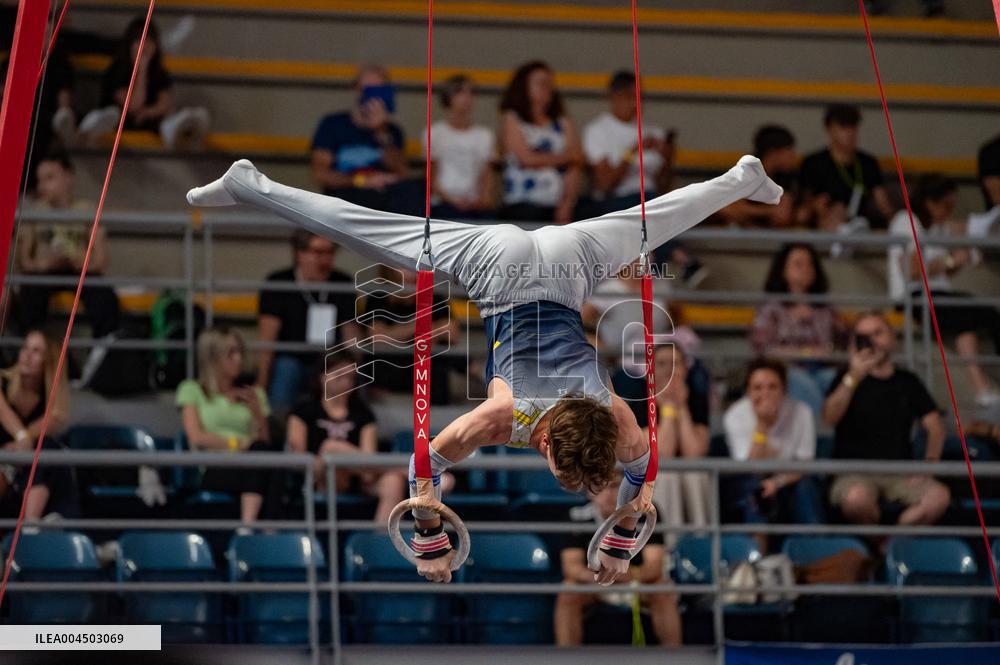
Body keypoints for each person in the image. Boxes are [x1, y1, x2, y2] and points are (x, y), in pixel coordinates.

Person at [186, 153, 784, 584]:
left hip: (566, 261)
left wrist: (624, 537)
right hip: (500, 274)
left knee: (647, 224)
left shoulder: (616, 420)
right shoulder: (506, 418)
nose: (554, 472)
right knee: (377, 237)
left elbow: (640, 469)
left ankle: (739, 178)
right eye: (555, 464)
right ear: (544, 438)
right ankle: (251, 184)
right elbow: (424, 459)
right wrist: (430, 541)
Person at [823, 312, 950, 528]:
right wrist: (853, 376)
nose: (872, 341)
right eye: (864, 336)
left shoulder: (907, 381)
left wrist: (928, 468)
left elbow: (935, 427)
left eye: (878, 333)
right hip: (853, 472)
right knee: (856, 499)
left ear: (892, 338)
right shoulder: (845, 378)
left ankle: (891, 540)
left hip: (899, 472)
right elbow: (829, 418)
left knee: (938, 497)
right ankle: (880, 542)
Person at [887, 175, 1000, 406]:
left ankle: (984, 385)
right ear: (929, 201)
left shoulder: (938, 228)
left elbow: (942, 272)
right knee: (972, 315)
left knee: (987, 313)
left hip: (938, 293)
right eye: (946, 205)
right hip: (913, 296)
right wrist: (951, 260)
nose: (949, 211)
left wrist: (960, 260)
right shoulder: (906, 220)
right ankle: (981, 385)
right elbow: (912, 269)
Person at [555, 471, 681, 647]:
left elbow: (654, 567)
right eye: (600, 487)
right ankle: (566, 659)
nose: (608, 494)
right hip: (595, 584)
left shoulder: (646, 512)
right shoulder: (576, 517)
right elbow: (572, 568)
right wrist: (602, 578)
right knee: (568, 592)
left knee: (662, 591)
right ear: (590, 491)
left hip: (635, 582)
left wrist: (624, 576)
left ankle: (674, 658)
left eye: (614, 486)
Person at [287, 353, 406, 523]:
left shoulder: (363, 414)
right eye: (339, 376)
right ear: (322, 376)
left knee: (393, 481)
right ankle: (408, 470)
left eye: (350, 377)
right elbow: (297, 454)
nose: (345, 383)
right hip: (319, 476)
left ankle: (381, 542)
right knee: (330, 447)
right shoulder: (303, 410)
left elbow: (368, 463)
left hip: (358, 477)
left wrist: (349, 464)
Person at [177, 328, 275, 526]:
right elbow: (196, 437)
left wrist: (257, 412)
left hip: (253, 461)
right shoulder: (192, 390)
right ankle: (261, 531)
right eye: (231, 353)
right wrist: (238, 443)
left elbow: (265, 441)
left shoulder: (254, 394)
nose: (238, 359)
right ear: (212, 358)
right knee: (266, 468)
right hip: (216, 466)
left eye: (240, 352)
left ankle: (248, 528)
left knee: (266, 459)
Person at [17, 152, 121, 339]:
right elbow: (24, 263)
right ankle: (31, 348)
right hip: (44, 272)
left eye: (49, 178)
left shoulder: (87, 210)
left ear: (68, 177)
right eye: (39, 180)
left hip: (78, 271)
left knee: (106, 298)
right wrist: (44, 264)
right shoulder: (34, 212)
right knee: (29, 296)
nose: (42, 186)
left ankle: (101, 354)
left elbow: (101, 261)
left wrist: (78, 262)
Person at [724, 358, 823, 551]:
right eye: (757, 388)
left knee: (806, 488)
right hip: (752, 479)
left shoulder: (802, 412)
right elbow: (749, 468)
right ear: (748, 391)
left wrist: (777, 483)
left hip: (790, 479)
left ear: (784, 389)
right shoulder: (735, 416)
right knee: (755, 490)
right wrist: (762, 425)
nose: (765, 394)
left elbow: (805, 465)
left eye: (772, 387)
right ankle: (757, 559)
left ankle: (814, 555)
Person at [257, 230, 358, 413]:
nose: (326, 259)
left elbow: (350, 335)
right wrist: (261, 386)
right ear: (300, 253)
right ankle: (278, 431)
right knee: (287, 370)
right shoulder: (278, 283)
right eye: (319, 252)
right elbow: (267, 341)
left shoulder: (342, 282)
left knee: (342, 372)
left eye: (330, 252)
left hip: (329, 360)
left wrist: (353, 365)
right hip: (291, 360)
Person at [78, 17, 209, 150]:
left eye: (149, 41)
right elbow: (133, 105)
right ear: (130, 45)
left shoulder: (159, 71)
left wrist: (148, 112)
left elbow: (164, 102)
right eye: (139, 41)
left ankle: (180, 126)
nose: (145, 46)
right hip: (122, 119)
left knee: (168, 116)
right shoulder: (117, 70)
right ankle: (93, 125)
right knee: (113, 114)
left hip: (147, 120)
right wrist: (141, 71)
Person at [310, 64, 421, 215]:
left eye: (379, 90)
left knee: (413, 190)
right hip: (346, 196)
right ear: (357, 89)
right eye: (369, 89)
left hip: (384, 198)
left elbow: (402, 172)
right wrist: (362, 181)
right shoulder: (332, 125)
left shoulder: (392, 131)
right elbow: (321, 174)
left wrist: (381, 132)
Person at [751, 243, 844, 417]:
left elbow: (841, 342)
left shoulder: (826, 309)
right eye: (798, 264)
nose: (806, 269)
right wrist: (806, 352)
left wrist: (829, 352)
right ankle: (823, 429)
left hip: (822, 369)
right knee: (801, 382)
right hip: (785, 370)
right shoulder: (771, 308)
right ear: (783, 269)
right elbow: (764, 350)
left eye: (810, 264)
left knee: (840, 380)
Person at [498, 61, 584, 223]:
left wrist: (567, 202)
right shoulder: (512, 119)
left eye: (550, 83)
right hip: (522, 202)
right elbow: (526, 158)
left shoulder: (563, 123)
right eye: (541, 83)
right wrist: (566, 157)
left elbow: (576, 163)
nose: (548, 88)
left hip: (558, 204)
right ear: (524, 86)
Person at [0, 331, 73, 523]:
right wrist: (22, 437)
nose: (27, 355)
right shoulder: (2, 381)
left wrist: (23, 442)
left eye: (36, 351)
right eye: (25, 348)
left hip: (24, 473)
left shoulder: (51, 404)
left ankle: (32, 525)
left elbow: (35, 438)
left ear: (48, 362)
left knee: (49, 448)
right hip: (4, 468)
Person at [649, 344, 711, 546]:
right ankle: (670, 549)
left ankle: (703, 546)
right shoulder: (638, 400)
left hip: (688, 475)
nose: (669, 370)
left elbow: (694, 453)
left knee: (695, 474)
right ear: (651, 369)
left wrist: (681, 407)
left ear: (686, 369)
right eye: (662, 364)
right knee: (667, 475)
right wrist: (667, 408)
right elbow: (663, 453)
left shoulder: (696, 400)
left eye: (676, 364)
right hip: (650, 476)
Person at [799, 104, 892, 234]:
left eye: (853, 127)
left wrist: (888, 214)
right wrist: (818, 206)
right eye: (843, 127)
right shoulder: (813, 163)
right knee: (836, 214)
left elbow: (882, 203)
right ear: (829, 129)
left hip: (862, 222)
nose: (850, 133)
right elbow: (804, 206)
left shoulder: (868, 163)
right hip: (827, 222)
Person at [425, 74, 495, 219]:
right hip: (443, 204)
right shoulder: (434, 132)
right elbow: (432, 175)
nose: (466, 98)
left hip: (474, 205)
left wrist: (482, 199)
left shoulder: (484, 135)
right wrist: (452, 200)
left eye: (471, 93)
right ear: (448, 97)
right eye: (460, 92)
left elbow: (487, 175)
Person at [720, 125, 802, 228]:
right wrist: (768, 211)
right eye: (789, 150)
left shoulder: (785, 178)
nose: (793, 155)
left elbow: (783, 215)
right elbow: (726, 208)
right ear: (774, 153)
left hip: (766, 235)